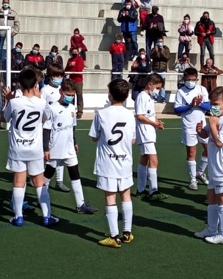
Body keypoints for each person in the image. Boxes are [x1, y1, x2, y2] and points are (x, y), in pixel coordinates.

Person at [1, 68, 58, 227]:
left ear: (19, 84)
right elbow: (45, 119)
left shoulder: (14, 102)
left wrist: (8, 99)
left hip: (18, 147)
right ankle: (47, 216)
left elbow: (4, 118)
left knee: (19, 180)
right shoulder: (41, 102)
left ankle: (18, 217)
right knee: (39, 181)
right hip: (35, 148)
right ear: (36, 84)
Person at [89, 78, 137, 248]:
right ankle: (127, 232)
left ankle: (114, 236)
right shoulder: (130, 115)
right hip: (124, 161)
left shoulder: (101, 114)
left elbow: (95, 137)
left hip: (107, 163)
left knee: (110, 197)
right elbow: (132, 140)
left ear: (110, 95)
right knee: (126, 195)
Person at [42, 79, 97, 215]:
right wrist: (46, 149)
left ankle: (81, 204)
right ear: (61, 92)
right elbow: (46, 130)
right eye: (68, 94)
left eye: (72, 95)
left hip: (69, 148)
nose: (70, 97)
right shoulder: (51, 108)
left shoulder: (72, 108)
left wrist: (74, 142)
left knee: (75, 174)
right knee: (48, 174)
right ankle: (41, 198)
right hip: (55, 147)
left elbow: (72, 128)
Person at [193, 86, 223, 245]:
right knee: (211, 197)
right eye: (211, 103)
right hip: (215, 166)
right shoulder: (216, 117)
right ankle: (211, 229)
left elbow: (219, 142)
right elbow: (206, 134)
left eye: (216, 103)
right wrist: (200, 130)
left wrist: (212, 125)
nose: (213, 107)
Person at [173, 66, 211, 190]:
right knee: (191, 153)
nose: (190, 82)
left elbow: (209, 106)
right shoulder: (181, 92)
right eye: (188, 79)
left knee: (209, 149)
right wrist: (190, 105)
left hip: (202, 124)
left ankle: (199, 172)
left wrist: (200, 104)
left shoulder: (202, 89)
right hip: (188, 125)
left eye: (193, 79)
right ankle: (192, 180)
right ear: (184, 79)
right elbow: (177, 109)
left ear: (197, 79)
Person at [135, 73, 167, 202]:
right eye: (157, 88)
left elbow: (150, 114)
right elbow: (140, 116)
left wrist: (157, 121)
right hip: (145, 133)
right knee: (154, 161)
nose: (158, 91)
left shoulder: (148, 98)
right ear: (150, 84)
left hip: (149, 133)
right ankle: (154, 190)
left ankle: (141, 189)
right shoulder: (142, 97)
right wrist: (154, 123)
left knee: (144, 160)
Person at [0, 0, 20, 71]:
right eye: (4, 2)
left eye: (7, 2)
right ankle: (1, 64)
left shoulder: (13, 13)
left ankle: (9, 64)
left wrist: (13, 32)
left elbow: (17, 24)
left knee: (10, 49)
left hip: (10, 34)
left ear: (9, 3)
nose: (5, 4)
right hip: (0, 34)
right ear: (2, 3)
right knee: (0, 49)